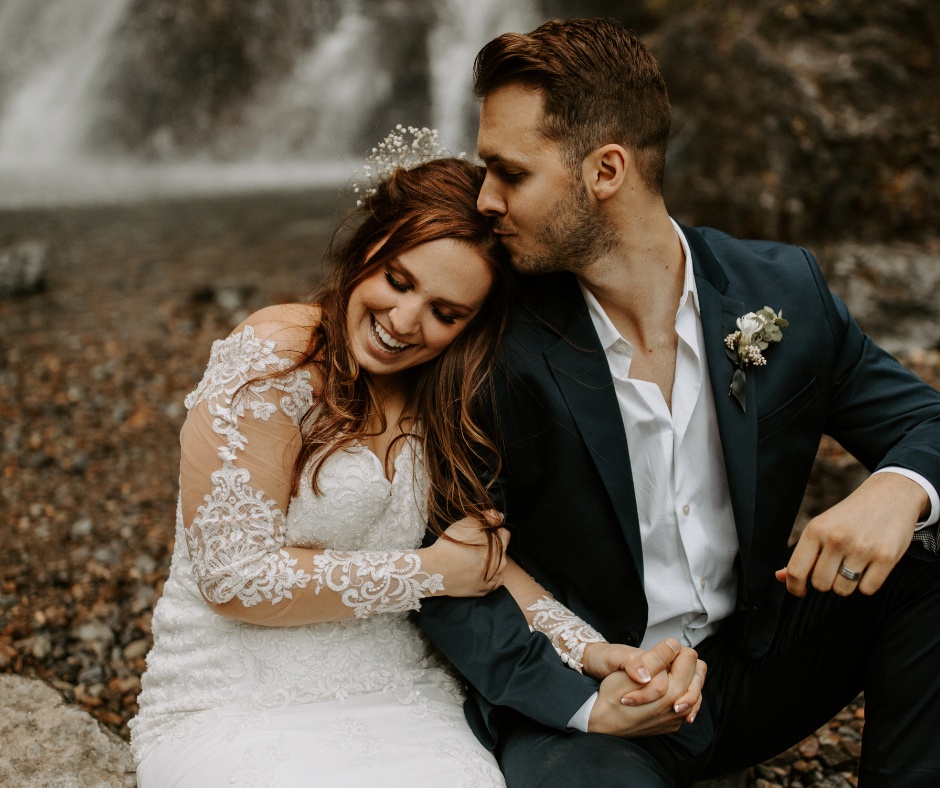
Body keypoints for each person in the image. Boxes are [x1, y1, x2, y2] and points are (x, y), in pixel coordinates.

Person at [415, 18, 940, 788]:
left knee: (932, 550)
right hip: (593, 704)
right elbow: (448, 571)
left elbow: (925, 421)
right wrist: (586, 702)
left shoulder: (780, 291)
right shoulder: (491, 334)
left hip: (758, 663)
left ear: (606, 170)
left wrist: (900, 488)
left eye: (510, 173)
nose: (485, 199)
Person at [129, 152, 682, 787]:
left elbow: (479, 561)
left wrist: (590, 649)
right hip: (234, 697)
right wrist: (428, 574)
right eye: (398, 280)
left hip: (403, 695)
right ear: (367, 248)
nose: (403, 321)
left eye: (446, 313)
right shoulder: (278, 356)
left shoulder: (445, 397)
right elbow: (234, 578)